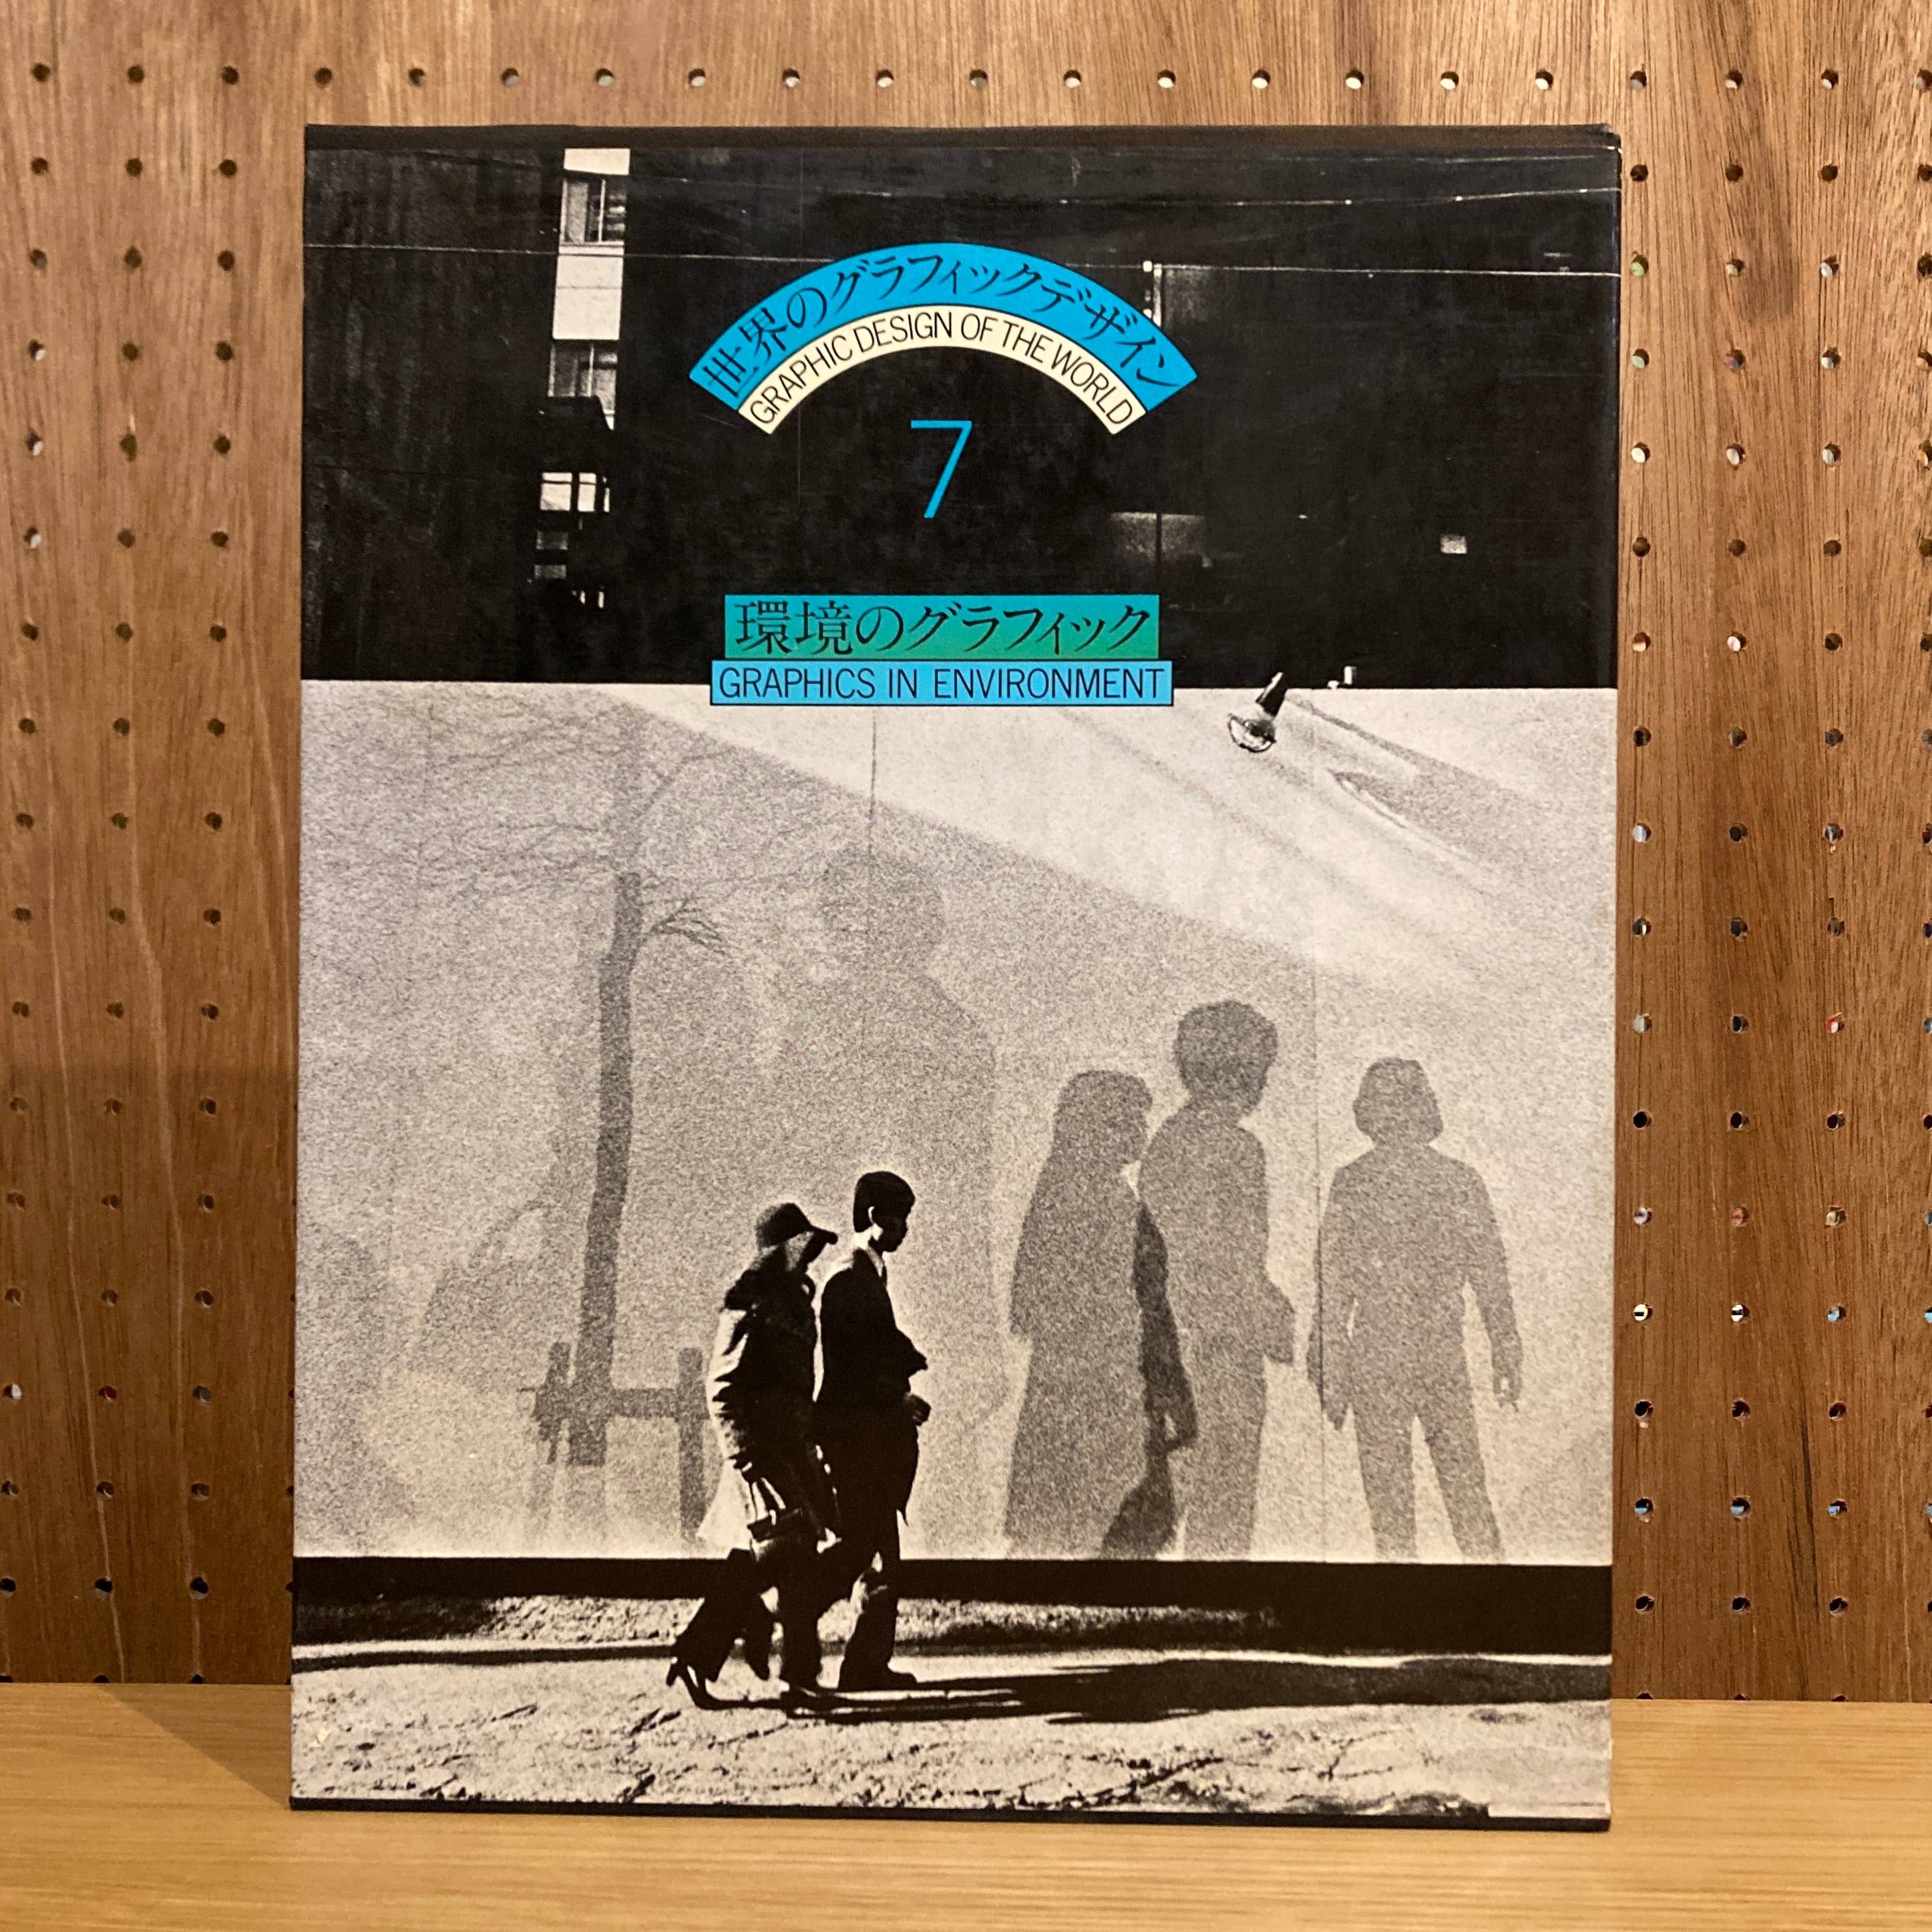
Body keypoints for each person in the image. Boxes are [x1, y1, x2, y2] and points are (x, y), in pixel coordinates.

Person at [1308, 1058, 1520, 1561]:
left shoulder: (1355, 1182)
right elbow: (1490, 1276)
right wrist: (1505, 1346)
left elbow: (1333, 1287)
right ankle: (1493, 1589)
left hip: (1386, 1353)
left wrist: (1328, 1358)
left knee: (1399, 1508)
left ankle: (1434, 1591)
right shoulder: (1455, 1179)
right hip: (1427, 1351)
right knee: (1461, 1494)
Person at [1004, 1073, 1195, 1556]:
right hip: (1109, 1384)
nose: (1140, 1131)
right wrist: (1171, 1390)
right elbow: (1150, 1308)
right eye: (1127, 1121)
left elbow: (1028, 1308)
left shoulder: (1060, 1194)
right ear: (1094, 1127)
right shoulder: (1107, 1202)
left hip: (1075, 1382)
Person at [666, 1201, 841, 1708]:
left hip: (791, 1449)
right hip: (762, 1454)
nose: (808, 1254)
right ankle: (792, 1671)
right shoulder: (750, 1302)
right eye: (801, 1244)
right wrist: (743, 1454)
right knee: (791, 1549)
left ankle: (709, 1654)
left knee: (770, 1555)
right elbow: (721, 1387)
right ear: (777, 1247)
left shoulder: (793, 1300)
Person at [1139, 1002, 1296, 1557]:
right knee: (1223, 1492)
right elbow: (1219, 1253)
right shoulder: (1235, 1147)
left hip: (1191, 1336)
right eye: (1259, 1068)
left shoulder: (1169, 1141)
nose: (1262, 1083)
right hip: (1217, 1343)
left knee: (1197, 1483)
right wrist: (1261, 1308)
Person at [815, 1170, 930, 1690]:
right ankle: (791, 1607)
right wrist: (895, 1398)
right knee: (868, 1550)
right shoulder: (849, 1279)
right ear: (872, 1216)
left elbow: (871, 1345)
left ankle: (863, 1662)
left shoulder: (866, 1273)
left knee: (873, 1551)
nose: (905, 1228)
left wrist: (903, 1355)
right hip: (858, 1439)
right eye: (898, 1217)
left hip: (864, 1436)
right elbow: (851, 1366)